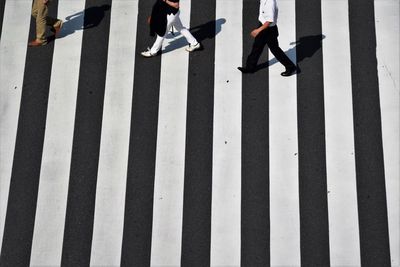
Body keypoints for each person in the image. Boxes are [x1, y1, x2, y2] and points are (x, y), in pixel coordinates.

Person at [238, 0, 297, 76]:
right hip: (264, 27)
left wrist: (258, 30)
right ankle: (250, 68)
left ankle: (290, 67)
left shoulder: (269, 3)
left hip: (268, 30)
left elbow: (269, 21)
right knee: (257, 47)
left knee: (275, 50)